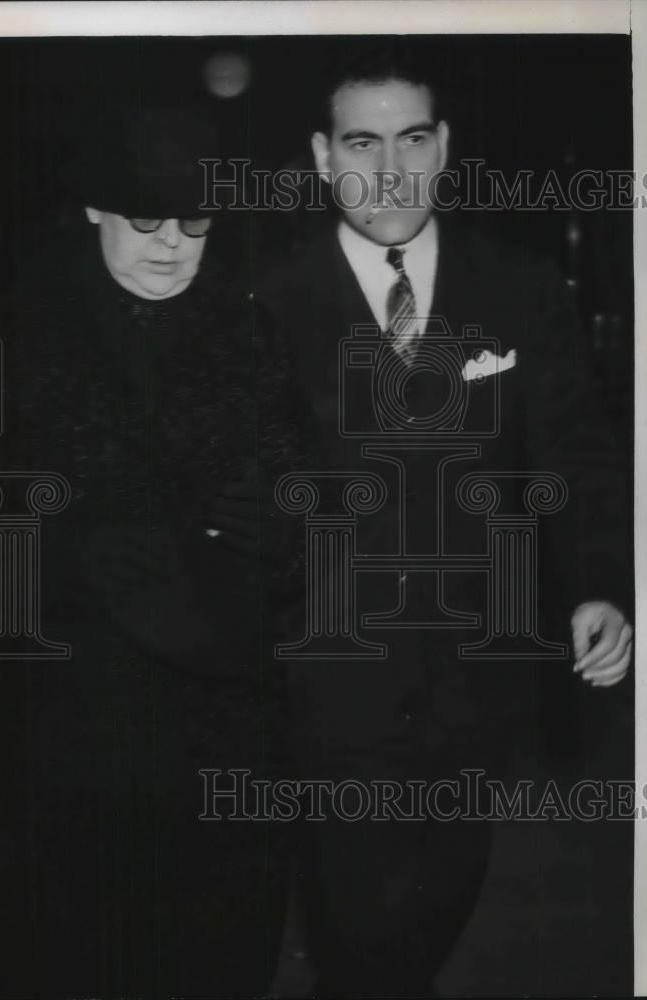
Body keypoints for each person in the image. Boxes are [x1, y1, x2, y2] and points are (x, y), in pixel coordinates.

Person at [258, 43, 633, 998]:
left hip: (477, 676)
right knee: (360, 932)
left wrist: (602, 586)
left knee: (438, 901)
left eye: (412, 139)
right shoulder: (263, 302)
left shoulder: (521, 287)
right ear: (320, 155)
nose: (388, 168)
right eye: (362, 141)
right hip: (322, 682)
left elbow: (578, 455)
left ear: (445, 146)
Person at [0, 102, 314, 998]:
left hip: (228, 752)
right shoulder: (13, 342)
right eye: (144, 221)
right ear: (92, 214)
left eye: (193, 222)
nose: (170, 244)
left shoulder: (250, 334)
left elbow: (302, 530)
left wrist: (282, 531)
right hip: (82, 752)